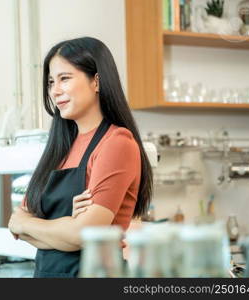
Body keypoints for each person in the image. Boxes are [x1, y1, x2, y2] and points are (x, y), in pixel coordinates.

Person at [8, 37, 152, 278]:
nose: (55, 90)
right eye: (51, 82)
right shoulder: (59, 147)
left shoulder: (117, 143)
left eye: (65, 78)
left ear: (96, 81)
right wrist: (64, 226)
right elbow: (17, 222)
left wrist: (29, 225)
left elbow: (84, 234)